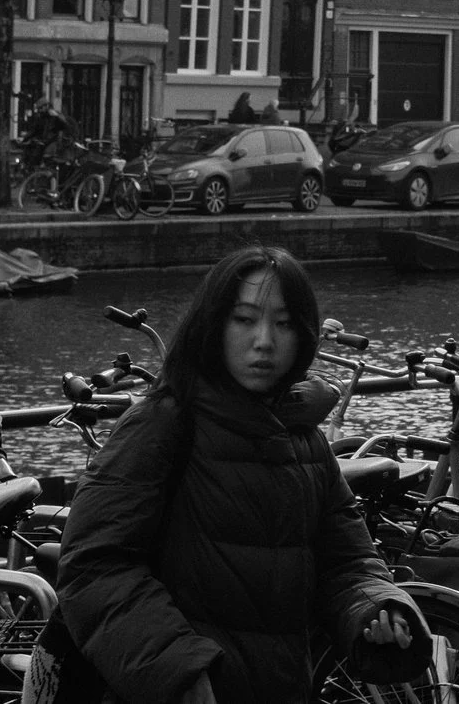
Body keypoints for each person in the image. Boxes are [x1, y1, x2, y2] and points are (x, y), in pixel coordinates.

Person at [57, 247, 424, 703]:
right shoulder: (164, 423)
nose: (265, 341)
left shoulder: (303, 438)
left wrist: (375, 609)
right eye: (245, 320)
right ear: (213, 325)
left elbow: (346, 559)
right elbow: (95, 565)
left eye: (284, 323)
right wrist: (177, 669)